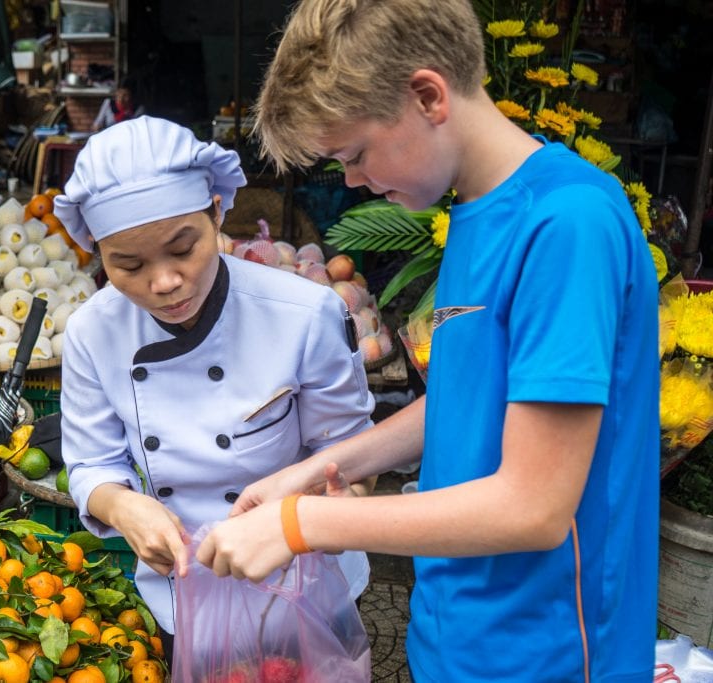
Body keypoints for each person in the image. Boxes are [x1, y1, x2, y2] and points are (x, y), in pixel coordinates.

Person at [195, 1, 660, 681]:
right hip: (455, 634)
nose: (352, 181)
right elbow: (467, 398)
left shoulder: (568, 223)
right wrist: (320, 469)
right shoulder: (474, 207)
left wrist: (302, 525)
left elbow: (533, 507)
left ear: (427, 96)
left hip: (547, 653)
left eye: (353, 154)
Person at [53, 115, 374, 650]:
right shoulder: (93, 330)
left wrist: (324, 508)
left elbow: (352, 456)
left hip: (306, 581)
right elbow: (91, 464)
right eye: (127, 265)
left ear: (218, 211)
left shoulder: (304, 313)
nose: (163, 283)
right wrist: (124, 507)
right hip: (184, 588)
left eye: (183, 249)